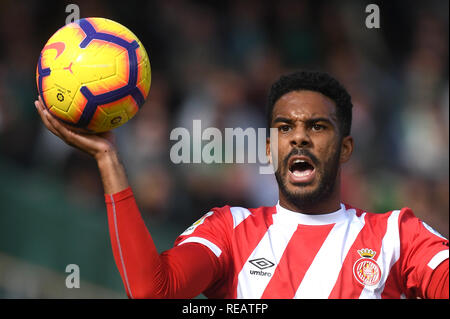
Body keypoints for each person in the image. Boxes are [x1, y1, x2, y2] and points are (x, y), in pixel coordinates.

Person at [34, 70, 449, 299]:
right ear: (269, 147)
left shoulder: (398, 237)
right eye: (285, 127)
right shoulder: (228, 230)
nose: (300, 137)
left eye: (317, 127)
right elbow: (151, 293)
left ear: (345, 148)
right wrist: (109, 161)